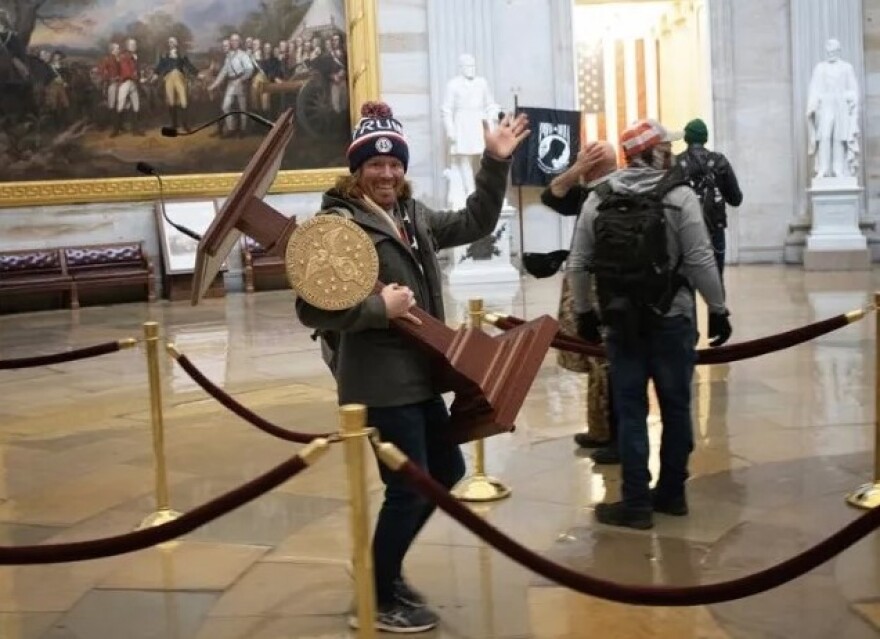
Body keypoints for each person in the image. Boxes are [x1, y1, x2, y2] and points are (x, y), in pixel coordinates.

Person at [295, 101, 529, 633]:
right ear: (357, 170)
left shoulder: (412, 215)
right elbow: (311, 308)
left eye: (394, 163)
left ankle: (382, 568)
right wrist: (381, 308)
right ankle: (375, 596)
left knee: (445, 472)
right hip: (378, 380)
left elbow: (476, 220)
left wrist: (494, 163)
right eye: (374, 164)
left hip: (421, 373)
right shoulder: (337, 226)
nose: (386, 172)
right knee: (409, 486)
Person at [567, 119, 731, 530]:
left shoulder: (598, 197)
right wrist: (719, 308)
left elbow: (579, 263)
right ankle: (672, 494)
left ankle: (636, 502)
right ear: (655, 152)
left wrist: (585, 313)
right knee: (677, 408)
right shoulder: (680, 196)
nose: (672, 153)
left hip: (622, 322)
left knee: (631, 408)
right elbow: (700, 259)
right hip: (672, 318)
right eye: (666, 147)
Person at [539, 141, 620, 464]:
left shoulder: (612, 190)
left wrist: (579, 168)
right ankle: (600, 429)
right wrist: (578, 170)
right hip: (587, 283)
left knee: (604, 361)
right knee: (594, 361)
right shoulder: (589, 191)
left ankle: (615, 435)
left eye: (583, 159)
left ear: (594, 166)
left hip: (603, 287)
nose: (577, 162)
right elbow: (552, 194)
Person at [674, 118, 743, 280]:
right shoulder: (720, 162)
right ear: (705, 138)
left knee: (685, 284)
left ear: (686, 138)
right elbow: (736, 199)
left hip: (686, 230)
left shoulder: (676, 163)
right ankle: (718, 305)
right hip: (715, 227)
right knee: (716, 281)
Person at [441, 53, 500, 208]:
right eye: (467, 66)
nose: (471, 69)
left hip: (479, 122)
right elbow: (446, 109)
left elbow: (490, 104)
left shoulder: (482, 83)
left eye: (473, 66)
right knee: (464, 160)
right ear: (461, 68)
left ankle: (483, 189)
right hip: (462, 123)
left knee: (483, 158)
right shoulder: (453, 85)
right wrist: (450, 130)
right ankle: (470, 191)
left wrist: (493, 114)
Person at [806, 38, 860, 179]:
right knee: (824, 136)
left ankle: (838, 170)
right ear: (827, 51)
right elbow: (814, 89)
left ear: (838, 50)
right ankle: (823, 169)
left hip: (840, 104)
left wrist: (850, 97)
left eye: (835, 50)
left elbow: (853, 88)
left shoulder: (846, 68)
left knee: (839, 138)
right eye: (830, 50)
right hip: (824, 105)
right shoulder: (820, 68)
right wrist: (812, 105)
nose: (832, 53)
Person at [208, 33, 255, 138]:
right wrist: (213, 86)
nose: (234, 42)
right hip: (231, 84)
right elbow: (223, 74)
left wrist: (242, 79)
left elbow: (250, 69)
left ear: (239, 42)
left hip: (241, 83)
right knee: (225, 106)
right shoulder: (228, 57)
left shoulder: (243, 55)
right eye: (232, 40)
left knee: (242, 108)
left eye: (236, 40)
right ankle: (231, 128)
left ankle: (242, 130)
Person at [155, 36, 199, 132]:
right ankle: (174, 125)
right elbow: (160, 67)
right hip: (169, 78)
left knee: (183, 100)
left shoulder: (182, 55)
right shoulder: (165, 56)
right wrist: (155, 74)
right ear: (168, 44)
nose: (171, 43)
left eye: (173, 42)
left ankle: (185, 125)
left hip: (179, 78)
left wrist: (197, 73)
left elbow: (189, 65)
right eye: (170, 42)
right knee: (171, 101)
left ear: (176, 44)